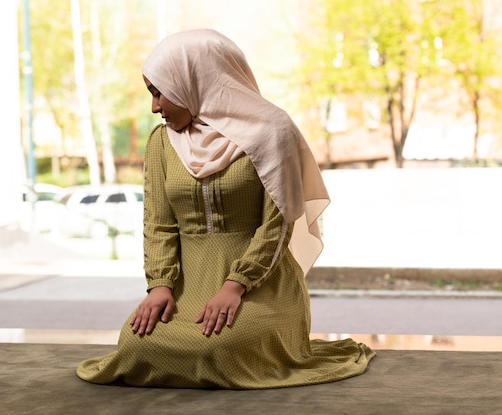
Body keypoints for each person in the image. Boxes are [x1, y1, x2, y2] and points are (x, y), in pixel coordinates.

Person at [76, 28, 375, 389]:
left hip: (260, 285)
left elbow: (276, 225)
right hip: (185, 286)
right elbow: (157, 224)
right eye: (150, 94)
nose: (154, 107)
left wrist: (236, 285)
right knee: (136, 345)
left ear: (195, 80)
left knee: (218, 350)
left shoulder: (272, 133)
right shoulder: (160, 143)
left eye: (159, 92)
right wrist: (160, 285)